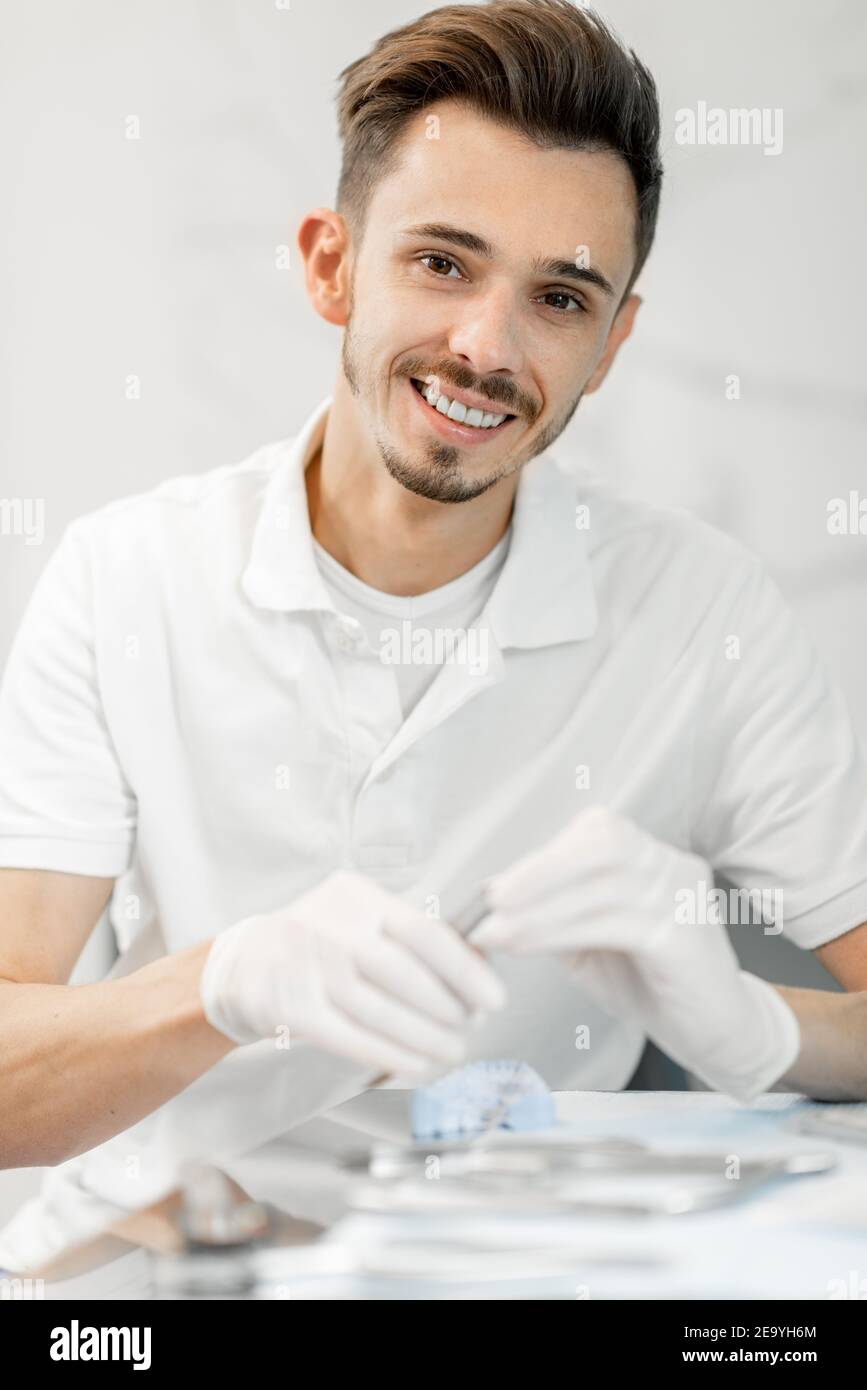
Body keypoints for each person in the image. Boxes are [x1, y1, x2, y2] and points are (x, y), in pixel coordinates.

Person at [2, 0, 866, 1273]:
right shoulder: (128, 577)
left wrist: (750, 1027)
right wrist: (223, 983)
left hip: (536, 1270)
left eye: (561, 297)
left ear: (614, 342)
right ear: (330, 265)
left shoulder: (702, 614)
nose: (485, 347)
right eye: (443, 262)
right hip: (172, 1269)